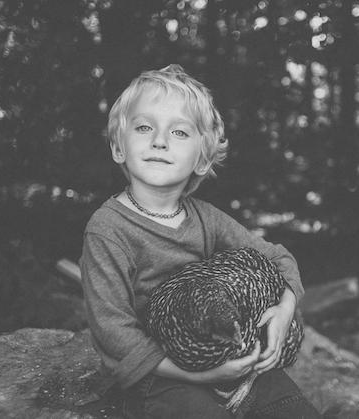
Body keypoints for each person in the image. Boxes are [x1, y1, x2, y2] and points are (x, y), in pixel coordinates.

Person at [80, 64, 321, 419]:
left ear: (202, 158)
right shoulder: (108, 229)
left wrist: (284, 312)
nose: (159, 140)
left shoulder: (205, 217)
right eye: (144, 127)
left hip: (225, 353)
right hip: (159, 373)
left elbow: (279, 258)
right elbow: (114, 334)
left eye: (179, 132)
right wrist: (201, 374)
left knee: (294, 410)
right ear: (118, 146)